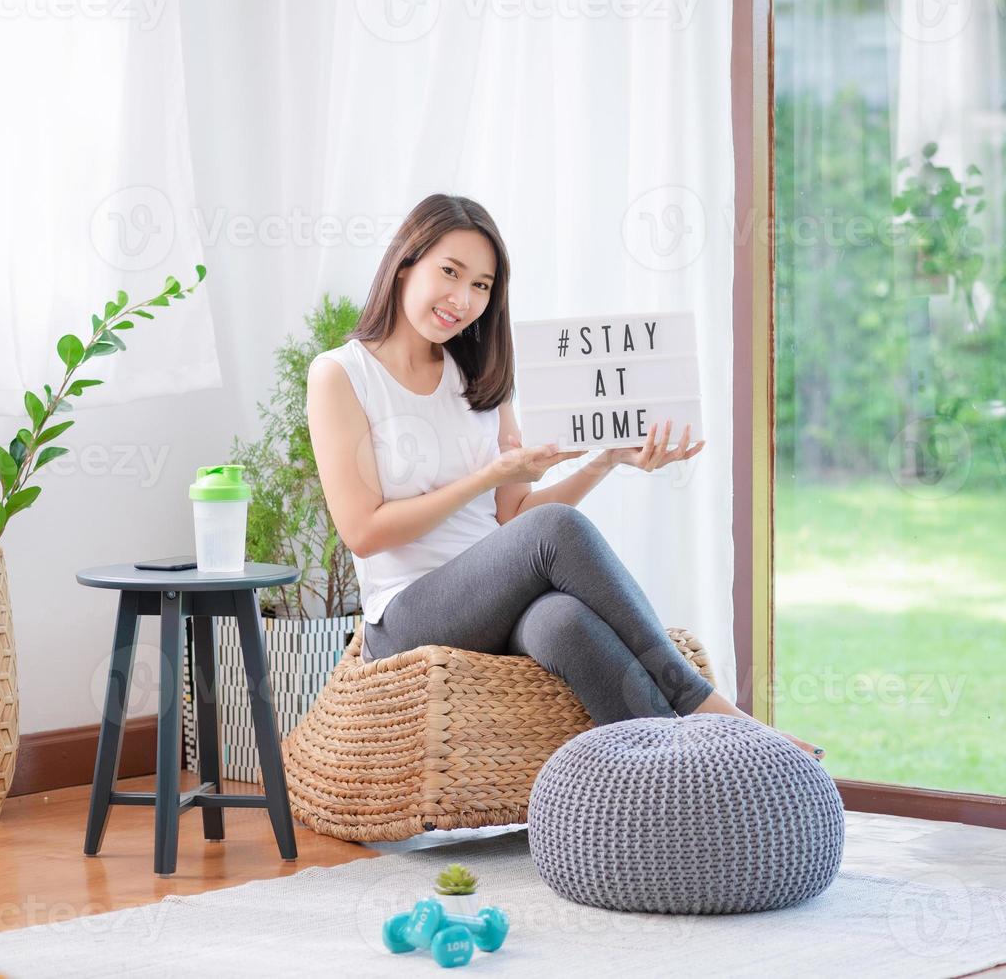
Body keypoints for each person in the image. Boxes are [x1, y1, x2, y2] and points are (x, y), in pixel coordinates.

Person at [306, 193, 824, 761]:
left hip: (493, 602)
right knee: (556, 528)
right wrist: (489, 477)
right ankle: (705, 705)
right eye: (450, 272)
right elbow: (363, 531)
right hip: (404, 617)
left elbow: (514, 521)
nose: (463, 298)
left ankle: (690, 782)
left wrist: (606, 460)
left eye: (481, 286)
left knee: (565, 623)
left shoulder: (477, 378)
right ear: (406, 261)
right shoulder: (340, 375)